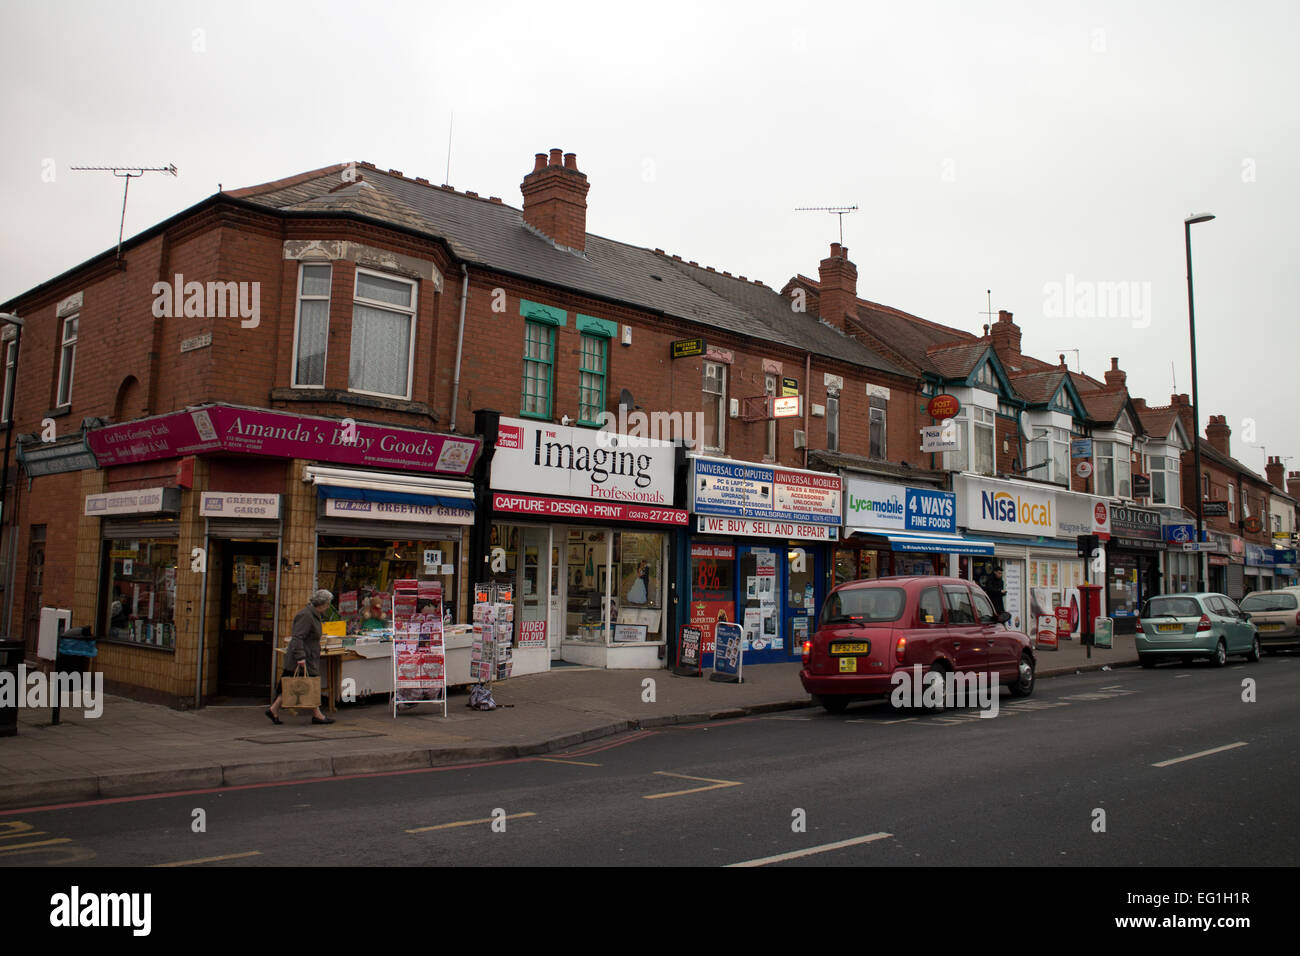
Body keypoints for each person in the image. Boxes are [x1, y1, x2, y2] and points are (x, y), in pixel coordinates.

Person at [266, 589, 335, 725]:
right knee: (310, 683)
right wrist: (301, 657)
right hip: (303, 657)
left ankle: (273, 709)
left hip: (307, 655)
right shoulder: (306, 615)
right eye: (327, 604)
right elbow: (298, 637)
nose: (328, 606)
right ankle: (317, 715)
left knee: (292, 683)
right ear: (321, 604)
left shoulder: (314, 614)